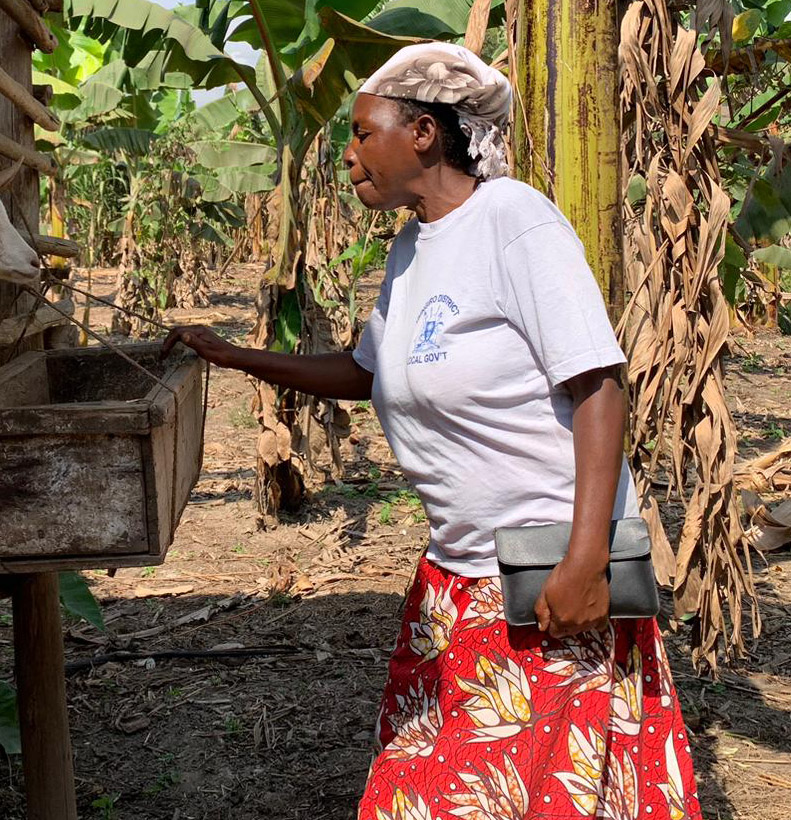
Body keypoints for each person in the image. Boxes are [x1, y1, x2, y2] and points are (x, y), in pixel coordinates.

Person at [163, 42, 702, 820]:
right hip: (454, 574)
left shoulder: (513, 220)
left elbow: (596, 383)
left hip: (540, 576)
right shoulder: (415, 244)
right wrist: (233, 354)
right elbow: (368, 370)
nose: (346, 154)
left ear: (421, 133)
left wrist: (585, 559)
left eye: (359, 132)